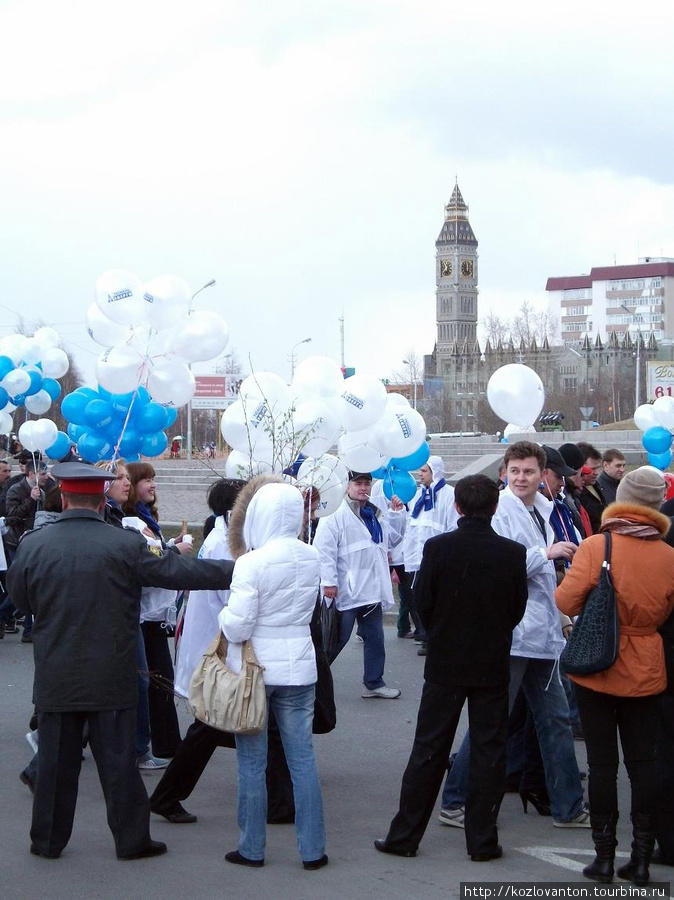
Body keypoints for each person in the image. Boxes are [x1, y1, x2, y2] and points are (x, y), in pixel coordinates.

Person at [7, 461, 234, 860]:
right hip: (112, 671)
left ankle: (46, 841)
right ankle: (132, 841)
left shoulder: (33, 544)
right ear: (100, 499)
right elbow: (179, 572)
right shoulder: (124, 544)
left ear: (64, 496)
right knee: (119, 765)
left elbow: (22, 602)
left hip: (56, 672)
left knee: (56, 768)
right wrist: (242, 569)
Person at [374, 475, 527, 861]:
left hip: (446, 660)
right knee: (489, 749)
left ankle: (405, 835)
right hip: (491, 660)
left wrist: (442, 631)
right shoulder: (511, 553)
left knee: (429, 746)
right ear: (494, 507)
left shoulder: (439, 548)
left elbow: (423, 599)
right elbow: (516, 608)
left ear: (457, 507)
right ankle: (482, 841)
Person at [438, 441, 589, 829]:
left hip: (544, 631)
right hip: (515, 632)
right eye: (515, 471)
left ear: (543, 476)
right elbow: (499, 565)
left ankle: (568, 807)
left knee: (554, 719)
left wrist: (562, 614)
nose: (522, 478)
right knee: (495, 720)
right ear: (504, 473)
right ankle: (454, 799)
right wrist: (547, 553)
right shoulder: (501, 510)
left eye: (529, 472)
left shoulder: (542, 509)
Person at [556, 466, 674, 886]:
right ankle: (641, 859)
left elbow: (564, 598)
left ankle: (603, 858)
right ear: (659, 504)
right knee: (644, 766)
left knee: (602, 765)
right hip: (647, 665)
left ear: (621, 498)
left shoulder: (597, 544)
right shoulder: (668, 555)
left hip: (598, 665)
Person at [219, 481, 327, 870]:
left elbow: (238, 626)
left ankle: (252, 848)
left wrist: (222, 619)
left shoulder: (251, 562)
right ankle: (313, 849)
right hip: (300, 666)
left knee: (252, 762)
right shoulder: (312, 556)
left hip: (256, 672)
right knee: (303, 760)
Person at [149, 478, 245, 824]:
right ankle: (167, 794)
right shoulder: (224, 542)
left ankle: (276, 792)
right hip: (219, 647)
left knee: (222, 724)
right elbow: (229, 600)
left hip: (217, 645)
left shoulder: (225, 536)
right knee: (212, 724)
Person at [314, 471, 404, 699]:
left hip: (371, 589)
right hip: (347, 589)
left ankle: (374, 682)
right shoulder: (335, 514)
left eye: (367, 483)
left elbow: (391, 541)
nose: (363, 488)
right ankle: (312, 681)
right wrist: (329, 582)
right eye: (358, 483)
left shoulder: (374, 513)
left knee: (375, 637)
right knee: (336, 638)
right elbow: (324, 549)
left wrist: (396, 514)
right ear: (347, 486)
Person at [124, 462, 191, 759]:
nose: (152, 485)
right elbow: (145, 563)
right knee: (150, 679)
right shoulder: (130, 520)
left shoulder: (144, 515)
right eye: (145, 479)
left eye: (154, 479)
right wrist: (174, 552)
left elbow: (154, 552)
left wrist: (170, 546)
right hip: (140, 611)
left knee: (159, 678)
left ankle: (166, 743)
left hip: (151, 612)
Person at [401, 456, 459, 655]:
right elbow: (410, 525)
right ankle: (426, 635)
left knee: (438, 600)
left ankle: (436, 638)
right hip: (416, 558)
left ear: (435, 472)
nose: (420, 474)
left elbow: (452, 525)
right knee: (419, 599)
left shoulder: (449, 495)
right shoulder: (417, 496)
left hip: (437, 559)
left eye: (424, 471)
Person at [577, 442, 607, 534]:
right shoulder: (577, 493)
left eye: (598, 468)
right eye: (592, 469)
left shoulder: (596, 485)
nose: (596, 472)